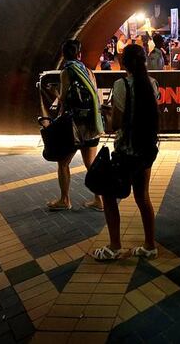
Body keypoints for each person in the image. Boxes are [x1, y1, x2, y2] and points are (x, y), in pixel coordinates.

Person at [94, 44, 160, 261]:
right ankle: (150, 245)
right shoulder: (152, 84)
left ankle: (114, 246)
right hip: (147, 149)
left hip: (126, 151)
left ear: (124, 63)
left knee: (109, 195)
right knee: (143, 197)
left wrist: (108, 113)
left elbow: (117, 124)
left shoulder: (121, 85)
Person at [47, 39, 104, 212]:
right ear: (79, 54)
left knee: (63, 163)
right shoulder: (87, 70)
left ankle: (65, 200)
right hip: (92, 125)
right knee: (91, 164)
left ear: (64, 55)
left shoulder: (67, 71)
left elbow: (63, 98)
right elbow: (96, 95)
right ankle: (99, 200)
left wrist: (53, 92)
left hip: (74, 127)